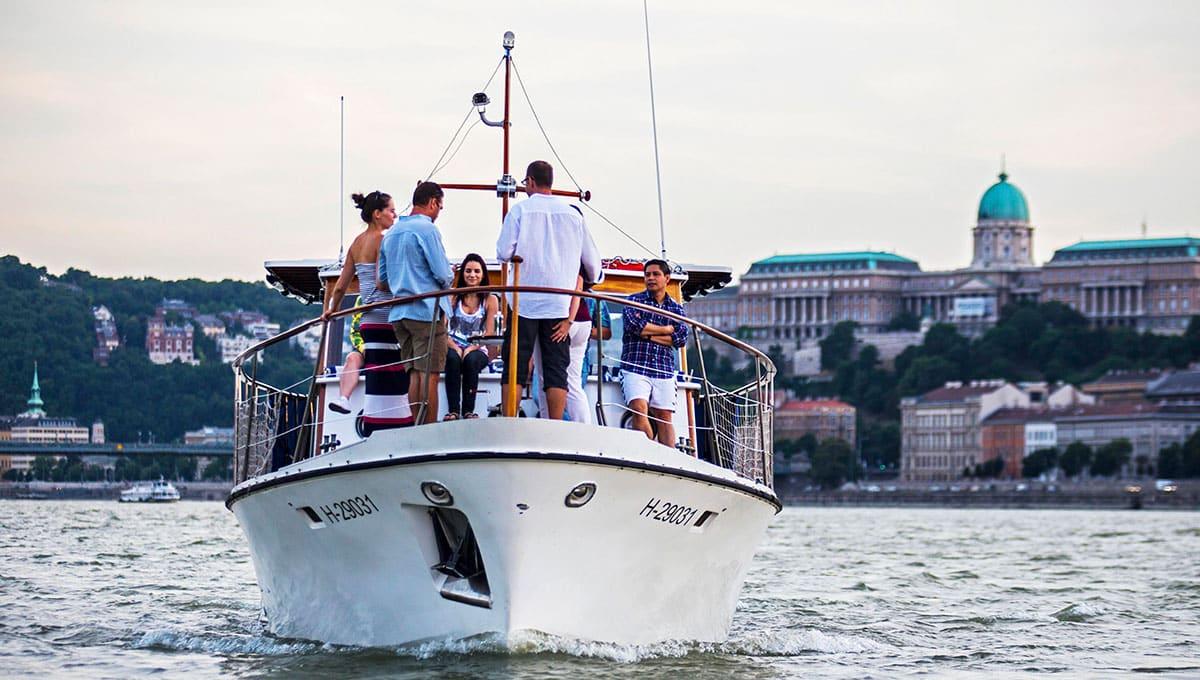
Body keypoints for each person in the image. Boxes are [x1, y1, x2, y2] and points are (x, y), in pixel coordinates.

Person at [496, 160, 602, 420]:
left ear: (530, 181)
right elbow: (593, 265)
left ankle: (510, 420)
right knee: (557, 367)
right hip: (559, 304)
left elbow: (503, 252)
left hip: (524, 303)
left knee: (516, 365)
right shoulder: (573, 215)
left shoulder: (520, 211)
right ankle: (555, 423)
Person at [324, 191, 411, 430]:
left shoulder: (356, 243)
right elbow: (385, 280)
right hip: (387, 315)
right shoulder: (385, 239)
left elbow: (341, 285)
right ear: (377, 214)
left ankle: (373, 421)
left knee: (377, 371)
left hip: (368, 321)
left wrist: (330, 310)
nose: (395, 215)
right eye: (391, 210)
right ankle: (397, 423)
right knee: (394, 372)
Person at [379, 181, 453, 425]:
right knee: (430, 375)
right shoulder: (427, 230)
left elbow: (382, 282)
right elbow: (443, 275)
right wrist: (450, 275)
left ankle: (416, 428)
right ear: (433, 202)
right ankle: (428, 432)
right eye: (440, 207)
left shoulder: (390, 234)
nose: (439, 213)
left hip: (399, 313)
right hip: (425, 313)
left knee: (413, 373)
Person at [621, 259, 689, 448]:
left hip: (664, 369)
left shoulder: (676, 308)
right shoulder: (634, 300)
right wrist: (667, 329)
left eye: (655, 274)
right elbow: (635, 327)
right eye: (647, 274)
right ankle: (649, 452)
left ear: (667, 278)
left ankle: (670, 460)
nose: (650, 278)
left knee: (664, 416)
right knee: (639, 408)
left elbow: (681, 338)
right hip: (635, 366)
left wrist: (650, 335)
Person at [444, 253, 499, 420]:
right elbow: (442, 329)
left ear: (483, 274)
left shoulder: (490, 299)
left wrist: (470, 348)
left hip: (478, 346)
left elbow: (489, 333)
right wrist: (455, 347)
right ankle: (453, 410)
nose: (472, 275)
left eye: (476, 271)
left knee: (471, 361)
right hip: (452, 344)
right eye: (468, 271)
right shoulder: (452, 296)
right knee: (452, 359)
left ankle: (469, 410)